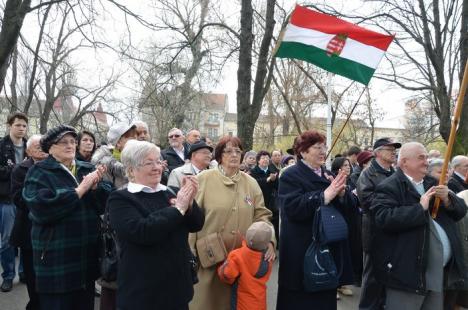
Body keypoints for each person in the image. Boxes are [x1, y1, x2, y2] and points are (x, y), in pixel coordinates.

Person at [23, 125, 111, 310]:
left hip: (85, 258)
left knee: (84, 304)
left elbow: (104, 205)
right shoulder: (39, 171)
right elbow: (41, 208)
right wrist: (80, 190)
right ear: (50, 147)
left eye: (73, 141)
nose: (70, 145)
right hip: (56, 259)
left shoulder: (86, 168)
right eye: (64, 142)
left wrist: (96, 189)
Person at [107, 140, 204, 309]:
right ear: (131, 169)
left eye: (158, 161)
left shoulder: (168, 191)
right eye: (149, 163)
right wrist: (178, 208)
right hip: (144, 292)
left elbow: (196, 225)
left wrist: (189, 204)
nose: (157, 167)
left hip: (177, 288)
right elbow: (142, 231)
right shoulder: (120, 198)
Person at [371, 142, 466, 310]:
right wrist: (419, 208)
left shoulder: (432, 183)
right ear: (404, 162)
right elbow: (383, 218)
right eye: (421, 157)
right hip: (407, 274)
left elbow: (460, 211)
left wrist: (448, 200)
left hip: (437, 273)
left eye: (427, 157)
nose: (426, 161)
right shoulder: (389, 187)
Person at [189, 136, 275, 310]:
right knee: (208, 303)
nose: (234, 155)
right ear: (220, 155)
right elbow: (190, 219)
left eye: (238, 151)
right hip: (209, 260)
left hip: (242, 261)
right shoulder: (203, 179)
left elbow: (262, 216)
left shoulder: (250, 183)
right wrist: (190, 254)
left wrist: (270, 241)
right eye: (228, 151)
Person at [277, 130, 356, 310]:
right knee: (299, 300)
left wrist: (343, 194)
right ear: (303, 152)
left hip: (328, 250)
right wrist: (324, 195)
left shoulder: (329, 175)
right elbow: (292, 208)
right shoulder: (290, 175)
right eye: (317, 147)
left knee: (324, 297)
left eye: (324, 147)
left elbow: (351, 208)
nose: (323, 151)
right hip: (301, 250)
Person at [92, 122, 136, 310]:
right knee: (113, 259)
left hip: (131, 214)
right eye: (127, 137)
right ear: (117, 142)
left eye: (133, 136)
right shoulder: (104, 159)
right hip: (109, 217)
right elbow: (107, 191)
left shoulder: (134, 157)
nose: (133, 139)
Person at [356, 137, 401, 310]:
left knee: (388, 276)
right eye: (389, 149)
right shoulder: (367, 174)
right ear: (378, 153)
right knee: (372, 278)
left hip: (393, 231)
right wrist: (394, 205)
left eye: (394, 149)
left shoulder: (395, 173)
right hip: (375, 232)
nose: (393, 152)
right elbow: (367, 202)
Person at [10, 134, 47, 309]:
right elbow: (18, 198)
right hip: (28, 229)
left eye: (43, 145)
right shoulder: (20, 169)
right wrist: (43, 200)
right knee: (32, 275)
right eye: (37, 146)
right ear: (28, 150)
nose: (41, 148)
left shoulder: (55, 167)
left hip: (49, 231)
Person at [0, 111, 28, 292]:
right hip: (7, 199)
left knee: (26, 238)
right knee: (8, 240)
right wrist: (17, 169)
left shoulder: (30, 146)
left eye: (24, 126)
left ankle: (24, 272)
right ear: (10, 125)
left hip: (27, 198)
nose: (21, 129)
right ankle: (8, 276)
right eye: (18, 125)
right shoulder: (1, 146)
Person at [217, 221, 273, 310]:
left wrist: (222, 267)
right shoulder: (269, 257)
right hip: (259, 304)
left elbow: (227, 276)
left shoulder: (237, 256)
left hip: (241, 305)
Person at [331, 156, 360, 297]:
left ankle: (342, 284)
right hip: (338, 222)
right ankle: (333, 285)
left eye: (349, 165)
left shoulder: (352, 180)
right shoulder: (333, 180)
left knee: (347, 253)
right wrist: (344, 195)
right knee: (336, 253)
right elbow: (338, 201)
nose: (348, 167)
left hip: (351, 221)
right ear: (338, 168)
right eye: (345, 165)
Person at [92, 122, 136, 189]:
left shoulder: (136, 157)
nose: (135, 141)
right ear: (118, 142)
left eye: (135, 137)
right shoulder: (104, 162)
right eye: (131, 138)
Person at [250, 150, 279, 247]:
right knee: (261, 224)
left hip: (272, 203)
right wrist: (268, 179)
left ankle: (274, 244)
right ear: (258, 160)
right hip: (259, 202)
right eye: (263, 158)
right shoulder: (254, 171)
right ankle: (262, 245)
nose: (265, 160)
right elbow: (254, 183)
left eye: (267, 158)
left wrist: (274, 180)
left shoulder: (273, 171)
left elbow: (278, 186)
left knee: (273, 223)